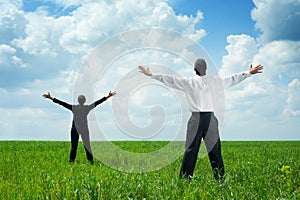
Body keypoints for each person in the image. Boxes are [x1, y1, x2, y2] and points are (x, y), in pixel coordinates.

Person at [138, 59, 263, 181]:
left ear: (194, 69)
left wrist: (151, 75)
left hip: (195, 119)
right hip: (210, 119)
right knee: (215, 150)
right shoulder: (215, 81)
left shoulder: (189, 82)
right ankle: (220, 179)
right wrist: (248, 73)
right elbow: (232, 79)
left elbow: (170, 80)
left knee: (191, 150)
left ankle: (185, 180)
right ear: (206, 69)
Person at [42, 91, 116, 164]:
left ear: (78, 101)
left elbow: (62, 103)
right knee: (87, 147)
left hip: (75, 130)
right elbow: (97, 103)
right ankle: (91, 162)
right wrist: (108, 96)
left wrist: (50, 98)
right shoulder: (87, 108)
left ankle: (71, 162)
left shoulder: (74, 108)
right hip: (84, 130)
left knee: (74, 147)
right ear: (84, 101)